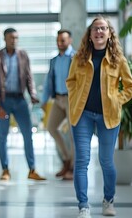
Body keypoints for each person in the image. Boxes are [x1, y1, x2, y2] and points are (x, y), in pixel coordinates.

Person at [66, 16, 132, 218]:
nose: (99, 32)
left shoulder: (118, 60)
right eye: (95, 28)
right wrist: (76, 97)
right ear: (90, 34)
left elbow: (129, 86)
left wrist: (116, 99)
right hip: (83, 115)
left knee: (106, 161)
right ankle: (83, 206)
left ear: (109, 33)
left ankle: (108, 200)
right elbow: (71, 82)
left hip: (108, 116)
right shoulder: (79, 57)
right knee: (82, 161)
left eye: (103, 28)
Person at [0, 28, 46, 181]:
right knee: (2, 136)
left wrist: (33, 95)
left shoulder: (23, 55)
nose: (14, 40)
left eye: (16, 37)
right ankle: (5, 169)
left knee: (28, 135)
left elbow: (29, 77)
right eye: (10, 37)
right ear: (4, 39)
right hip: (4, 100)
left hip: (21, 100)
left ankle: (32, 169)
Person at [41, 29, 76, 180]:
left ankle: (73, 168)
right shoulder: (54, 60)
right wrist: (44, 100)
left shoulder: (76, 58)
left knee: (73, 134)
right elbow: (49, 81)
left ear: (70, 41)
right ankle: (67, 159)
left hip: (71, 100)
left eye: (63, 40)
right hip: (58, 99)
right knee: (51, 127)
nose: (59, 43)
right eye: (58, 40)